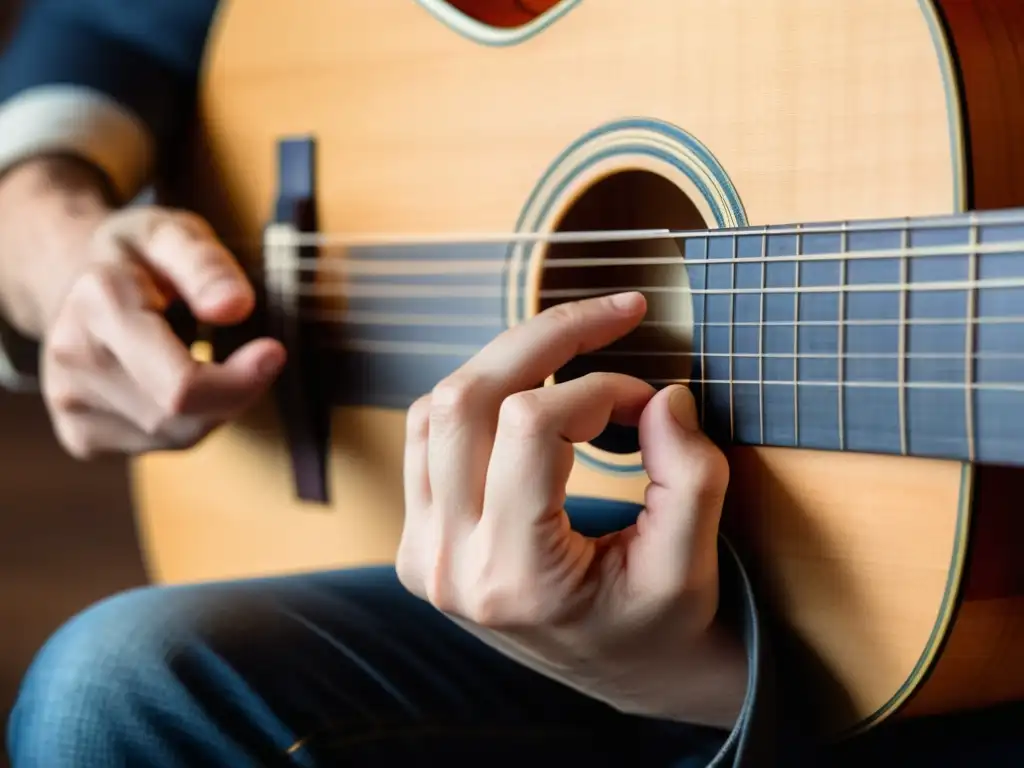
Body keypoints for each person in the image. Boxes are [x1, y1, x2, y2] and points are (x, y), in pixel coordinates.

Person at [0, 2, 1019, 766]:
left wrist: (702, 685)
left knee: (116, 688)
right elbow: (110, 23)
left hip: (909, 656)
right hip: (464, 555)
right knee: (118, 696)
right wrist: (47, 239)